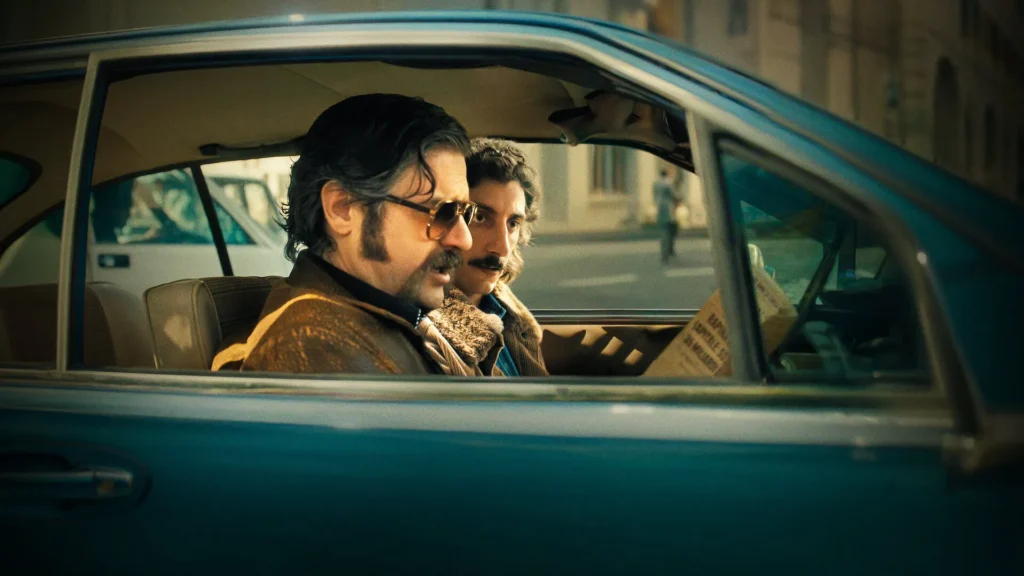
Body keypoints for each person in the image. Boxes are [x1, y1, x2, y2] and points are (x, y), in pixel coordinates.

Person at [212, 94, 479, 374]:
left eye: (466, 212)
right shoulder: (315, 347)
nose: (464, 239)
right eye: (442, 212)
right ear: (342, 208)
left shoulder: (390, 317)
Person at [426, 138, 548, 376]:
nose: (501, 247)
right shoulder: (429, 330)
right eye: (480, 218)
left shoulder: (508, 312)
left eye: (513, 223)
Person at [654, 168, 681, 264]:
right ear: (667, 174)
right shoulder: (668, 183)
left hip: (660, 209)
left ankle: (665, 253)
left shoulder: (656, 183)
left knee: (663, 231)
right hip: (669, 209)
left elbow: (654, 195)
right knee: (671, 230)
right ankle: (669, 250)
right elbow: (675, 195)